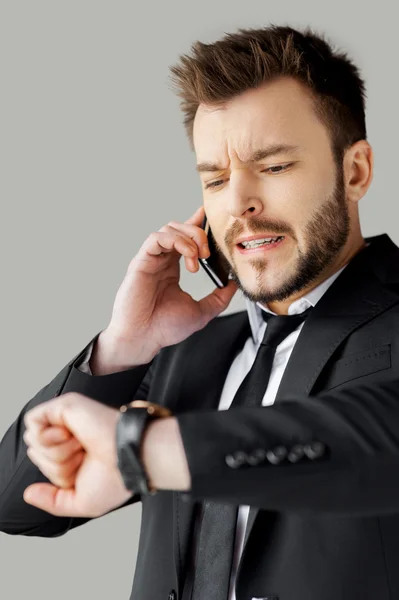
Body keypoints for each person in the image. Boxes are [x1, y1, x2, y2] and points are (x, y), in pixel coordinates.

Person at [1, 22, 399, 600]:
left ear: (355, 170)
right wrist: (124, 347)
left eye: (275, 166)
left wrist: (151, 450)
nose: (239, 205)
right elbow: (19, 507)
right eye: (214, 178)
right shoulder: (188, 354)